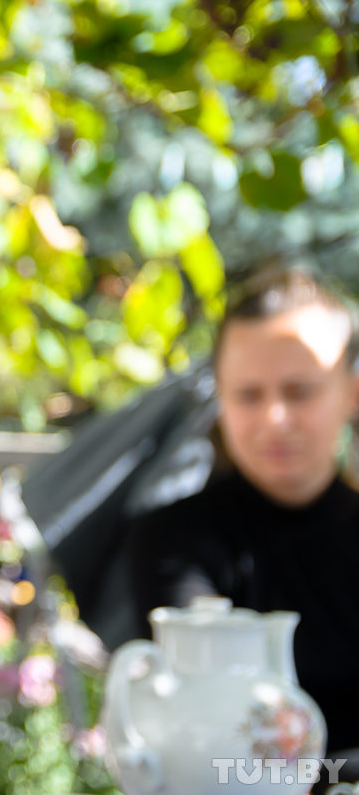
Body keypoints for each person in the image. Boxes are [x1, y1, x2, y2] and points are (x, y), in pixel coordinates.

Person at [129, 268, 359, 765]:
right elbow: (208, 723)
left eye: (299, 391)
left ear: (351, 392)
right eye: (249, 395)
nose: (275, 418)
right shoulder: (173, 539)